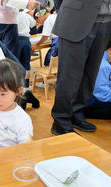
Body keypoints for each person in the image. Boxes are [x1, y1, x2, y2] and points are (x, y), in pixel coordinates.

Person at [51, 0, 111, 135]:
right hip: (75, 19)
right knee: (69, 76)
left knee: (90, 75)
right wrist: (70, 10)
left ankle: (77, 114)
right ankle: (61, 121)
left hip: (106, 22)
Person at [84, 44, 111, 120]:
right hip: (90, 105)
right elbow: (102, 95)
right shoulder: (104, 66)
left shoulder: (97, 57)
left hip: (84, 102)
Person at [16, 9, 36, 88]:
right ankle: (26, 85)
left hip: (15, 40)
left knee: (16, 62)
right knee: (26, 63)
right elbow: (33, 23)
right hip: (25, 39)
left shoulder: (12, 15)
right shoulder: (26, 15)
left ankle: (17, 85)